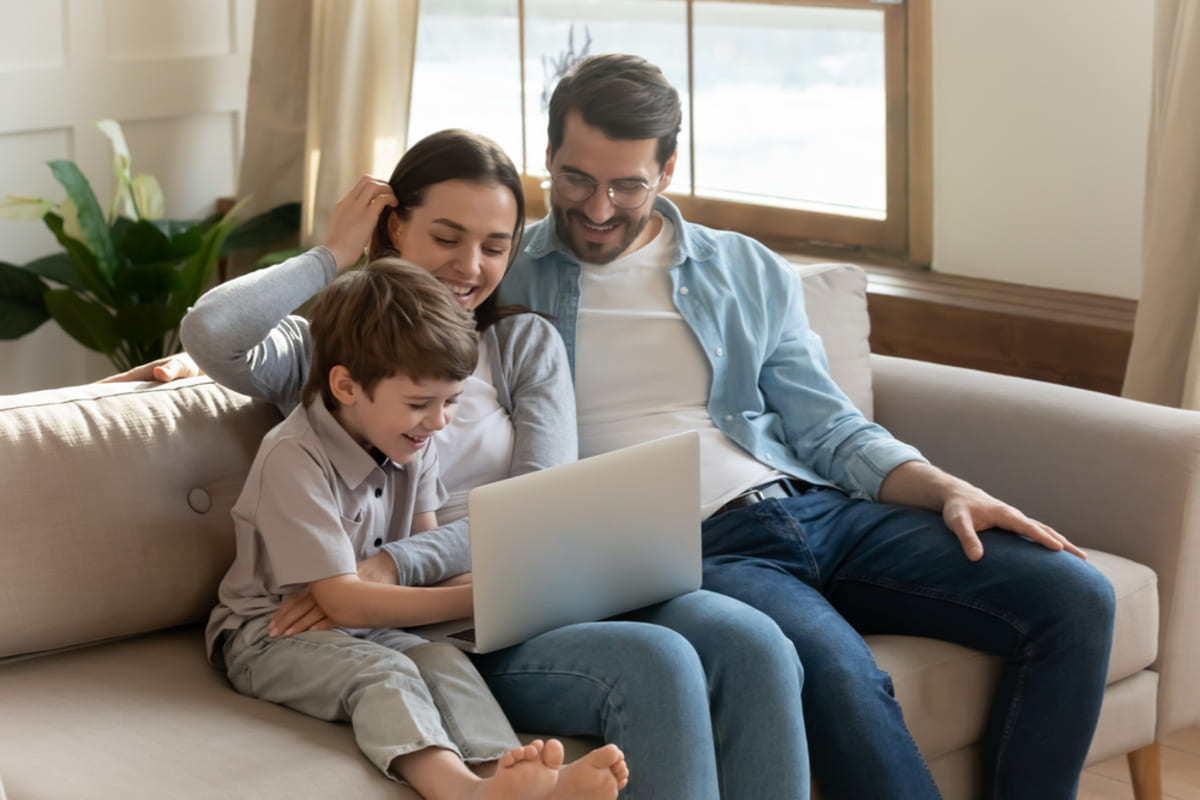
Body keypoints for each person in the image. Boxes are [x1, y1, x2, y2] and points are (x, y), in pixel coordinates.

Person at [494, 53, 1117, 800]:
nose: (597, 209)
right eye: (575, 179)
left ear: (667, 170)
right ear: (548, 158)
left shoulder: (744, 269)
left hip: (817, 507)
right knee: (840, 673)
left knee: (1076, 596)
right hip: (698, 552)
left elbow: (828, 428)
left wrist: (947, 488)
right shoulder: (501, 270)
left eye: (626, 184)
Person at [174, 129, 810, 800]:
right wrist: (335, 253)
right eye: (446, 239)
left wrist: (389, 565)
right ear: (392, 229)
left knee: (754, 645)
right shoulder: (332, 352)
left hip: (524, 583)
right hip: (453, 614)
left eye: (495, 246)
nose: (470, 267)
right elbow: (213, 333)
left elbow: (540, 502)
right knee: (659, 663)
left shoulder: (522, 341)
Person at [206, 258, 628, 799]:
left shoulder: (410, 443)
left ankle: (507, 776)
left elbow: (424, 568)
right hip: (268, 635)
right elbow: (346, 603)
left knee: (441, 659)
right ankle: (460, 791)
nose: (439, 421)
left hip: (355, 625)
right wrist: (479, 598)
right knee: (385, 673)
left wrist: (525, 593)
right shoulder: (294, 456)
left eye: (451, 401)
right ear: (346, 386)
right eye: (419, 404)